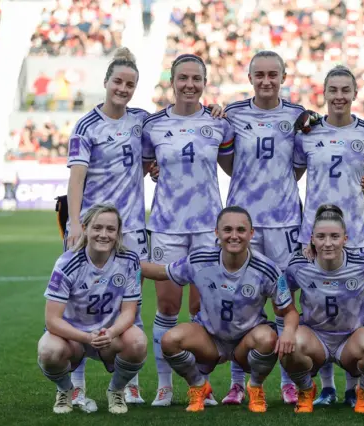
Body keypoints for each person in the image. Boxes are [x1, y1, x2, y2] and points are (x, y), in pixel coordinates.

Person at [223, 53, 364, 406]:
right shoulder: (233, 114)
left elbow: (301, 171)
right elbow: (228, 158)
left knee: (300, 303)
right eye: (259, 74)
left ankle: (297, 382)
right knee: (243, 298)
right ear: (249, 76)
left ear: (284, 76)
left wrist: (360, 182)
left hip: (291, 224)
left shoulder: (298, 119)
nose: (266, 80)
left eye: (273, 74)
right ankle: (237, 381)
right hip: (250, 222)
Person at [139, 206, 297, 413]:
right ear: (217, 233)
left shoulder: (268, 269)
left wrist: (289, 332)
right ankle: (198, 386)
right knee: (170, 340)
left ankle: (255, 387)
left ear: (251, 234)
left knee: (269, 338)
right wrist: (122, 258)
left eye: (241, 230)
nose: (234, 236)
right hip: (209, 340)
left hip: (246, 341)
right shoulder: (200, 260)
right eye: (227, 230)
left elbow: (291, 311)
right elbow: (161, 272)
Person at [142, 53, 234, 407]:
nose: (190, 85)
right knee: (167, 306)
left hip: (207, 229)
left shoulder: (218, 124)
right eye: (183, 78)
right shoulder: (154, 126)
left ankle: (202, 385)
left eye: (196, 79)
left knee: (201, 308)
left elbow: (232, 168)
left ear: (204, 83)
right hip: (167, 227)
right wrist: (154, 171)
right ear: (173, 81)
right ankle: (165, 386)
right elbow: (149, 165)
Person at [64, 47, 151, 409]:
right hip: (94, 228)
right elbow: (76, 179)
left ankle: (127, 383)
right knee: (81, 305)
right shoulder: (86, 125)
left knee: (132, 304)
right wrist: (74, 224)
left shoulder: (141, 120)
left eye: (130, 84)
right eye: (118, 81)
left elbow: (152, 156)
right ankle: (77, 384)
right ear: (106, 82)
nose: (123, 88)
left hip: (131, 227)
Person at [293, 65, 364, 405]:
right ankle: (327, 386)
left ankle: (351, 386)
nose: (339, 96)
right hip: (313, 234)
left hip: (356, 232)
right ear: (325, 93)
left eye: (346, 89)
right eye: (333, 90)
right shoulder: (308, 133)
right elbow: (293, 174)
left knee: (353, 307)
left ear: (355, 93)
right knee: (314, 303)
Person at [37, 204, 147, 415]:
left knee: (138, 342)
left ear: (118, 233)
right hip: (73, 338)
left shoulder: (129, 261)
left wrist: (111, 333)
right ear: (85, 229)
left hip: (110, 336)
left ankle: (116, 390)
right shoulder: (66, 263)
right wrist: (86, 338)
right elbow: (52, 320)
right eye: (97, 228)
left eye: (110, 229)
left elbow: (129, 312)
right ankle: (65, 390)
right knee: (48, 350)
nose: (103, 234)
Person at [280, 204, 364, 414]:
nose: (327, 243)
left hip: (351, 339)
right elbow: (284, 290)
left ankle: (362, 391)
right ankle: (306, 389)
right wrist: (288, 324)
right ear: (312, 238)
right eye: (321, 236)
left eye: (334, 236)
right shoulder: (298, 264)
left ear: (345, 239)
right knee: (289, 346)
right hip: (315, 338)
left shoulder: (363, 264)